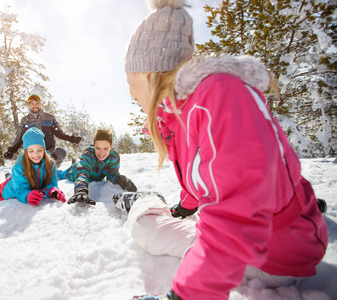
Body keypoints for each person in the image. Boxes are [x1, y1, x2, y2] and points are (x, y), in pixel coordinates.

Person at [123, 0, 329, 299]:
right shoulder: (188, 110)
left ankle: (144, 202)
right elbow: (213, 170)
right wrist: (188, 205)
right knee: (185, 224)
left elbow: (238, 213)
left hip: (273, 257)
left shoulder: (217, 96)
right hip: (280, 240)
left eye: (131, 84)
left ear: (149, 74)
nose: (131, 95)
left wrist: (183, 296)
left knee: (146, 228)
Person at [0, 128, 66, 205]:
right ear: (25, 151)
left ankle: (12, 177)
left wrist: (54, 190)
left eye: (39, 150)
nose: (36, 154)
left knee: (20, 181)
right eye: (31, 151)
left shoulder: (50, 164)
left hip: (27, 185)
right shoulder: (19, 167)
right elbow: (20, 190)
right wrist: (27, 195)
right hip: (12, 189)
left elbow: (51, 183)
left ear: (44, 150)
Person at [58, 129, 137, 205]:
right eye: (98, 148)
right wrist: (80, 189)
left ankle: (75, 162)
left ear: (111, 147)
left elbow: (112, 175)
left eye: (105, 148)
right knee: (59, 174)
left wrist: (120, 179)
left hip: (94, 176)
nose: (101, 153)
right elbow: (82, 174)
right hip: (73, 172)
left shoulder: (114, 157)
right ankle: (64, 167)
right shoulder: (88, 154)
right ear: (94, 146)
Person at [3, 94, 82, 168]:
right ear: (29, 105)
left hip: (49, 152)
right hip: (34, 154)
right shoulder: (25, 121)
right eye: (32, 104)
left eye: (37, 103)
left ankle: (53, 170)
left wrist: (72, 139)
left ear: (40, 104)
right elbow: (20, 137)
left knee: (61, 152)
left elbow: (59, 134)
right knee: (24, 163)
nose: (35, 106)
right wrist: (12, 150)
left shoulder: (50, 118)